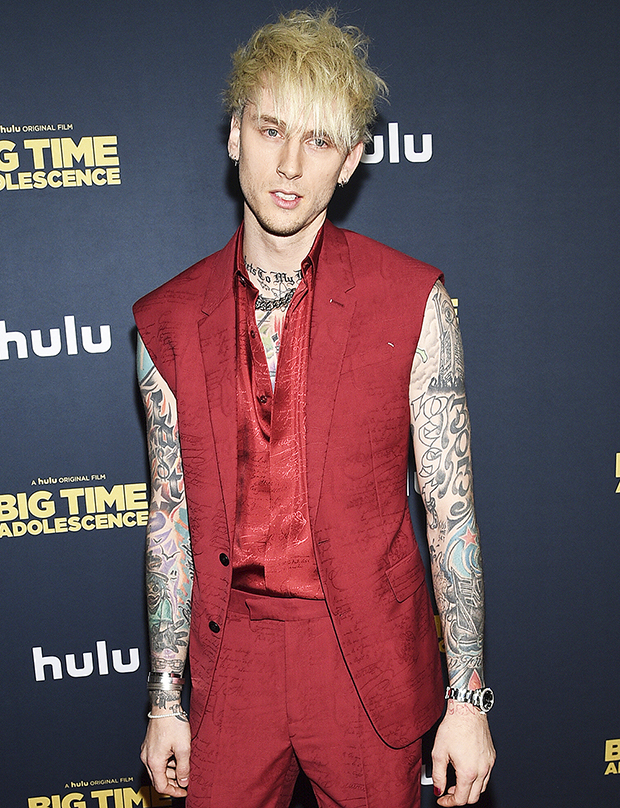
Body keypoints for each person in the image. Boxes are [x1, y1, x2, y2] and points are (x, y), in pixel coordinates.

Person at [134, 9, 495, 808]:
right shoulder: (165, 323)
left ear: (353, 160)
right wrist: (166, 699)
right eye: (271, 129)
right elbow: (169, 523)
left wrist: (466, 700)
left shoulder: (416, 304)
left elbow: (452, 515)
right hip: (234, 665)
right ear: (235, 136)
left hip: (367, 659)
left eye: (320, 141)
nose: (290, 164)